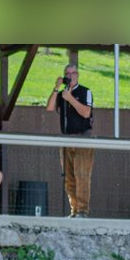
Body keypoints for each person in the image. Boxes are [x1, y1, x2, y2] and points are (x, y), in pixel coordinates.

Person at [45, 63, 94, 217]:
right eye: (67, 73)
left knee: (82, 175)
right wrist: (56, 88)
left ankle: (83, 210)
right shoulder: (62, 94)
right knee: (68, 177)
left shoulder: (85, 91)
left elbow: (86, 113)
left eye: (73, 73)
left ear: (77, 75)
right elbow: (50, 108)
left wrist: (70, 98)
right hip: (66, 139)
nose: (70, 76)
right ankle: (74, 209)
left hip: (82, 138)